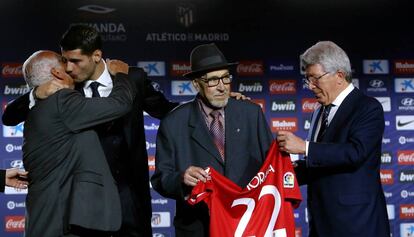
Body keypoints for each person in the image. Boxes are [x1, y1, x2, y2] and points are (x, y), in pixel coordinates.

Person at [2, 25, 178, 237]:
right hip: (86, 205)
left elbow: (169, 112)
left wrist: (218, 106)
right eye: (65, 60)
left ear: (96, 55)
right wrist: (35, 93)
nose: (68, 68)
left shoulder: (133, 78)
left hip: (131, 198)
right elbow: (9, 116)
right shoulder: (64, 87)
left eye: (75, 61)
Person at [151, 43, 274, 237]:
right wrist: (182, 179)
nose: (221, 87)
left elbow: (271, 167)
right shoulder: (173, 123)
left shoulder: (251, 113)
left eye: (225, 78)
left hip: (248, 225)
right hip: (199, 227)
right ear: (196, 84)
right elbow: (160, 179)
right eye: (213, 80)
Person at [276, 41, 390, 237]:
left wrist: (305, 147)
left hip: (356, 224)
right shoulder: (319, 111)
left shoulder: (367, 107)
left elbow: (355, 152)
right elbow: (322, 164)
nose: (310, 86)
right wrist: (279, 171)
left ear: (339, 75)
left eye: (315, 78)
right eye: (307, 79)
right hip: (321, 222)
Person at [21, 50, 137, 237]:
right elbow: (119, 104)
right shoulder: (61, 101)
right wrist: (123, 75)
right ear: (57, 73)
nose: (70, 67)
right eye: (64, 63)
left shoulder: (36, 112)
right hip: (65, 223)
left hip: (46, 221)